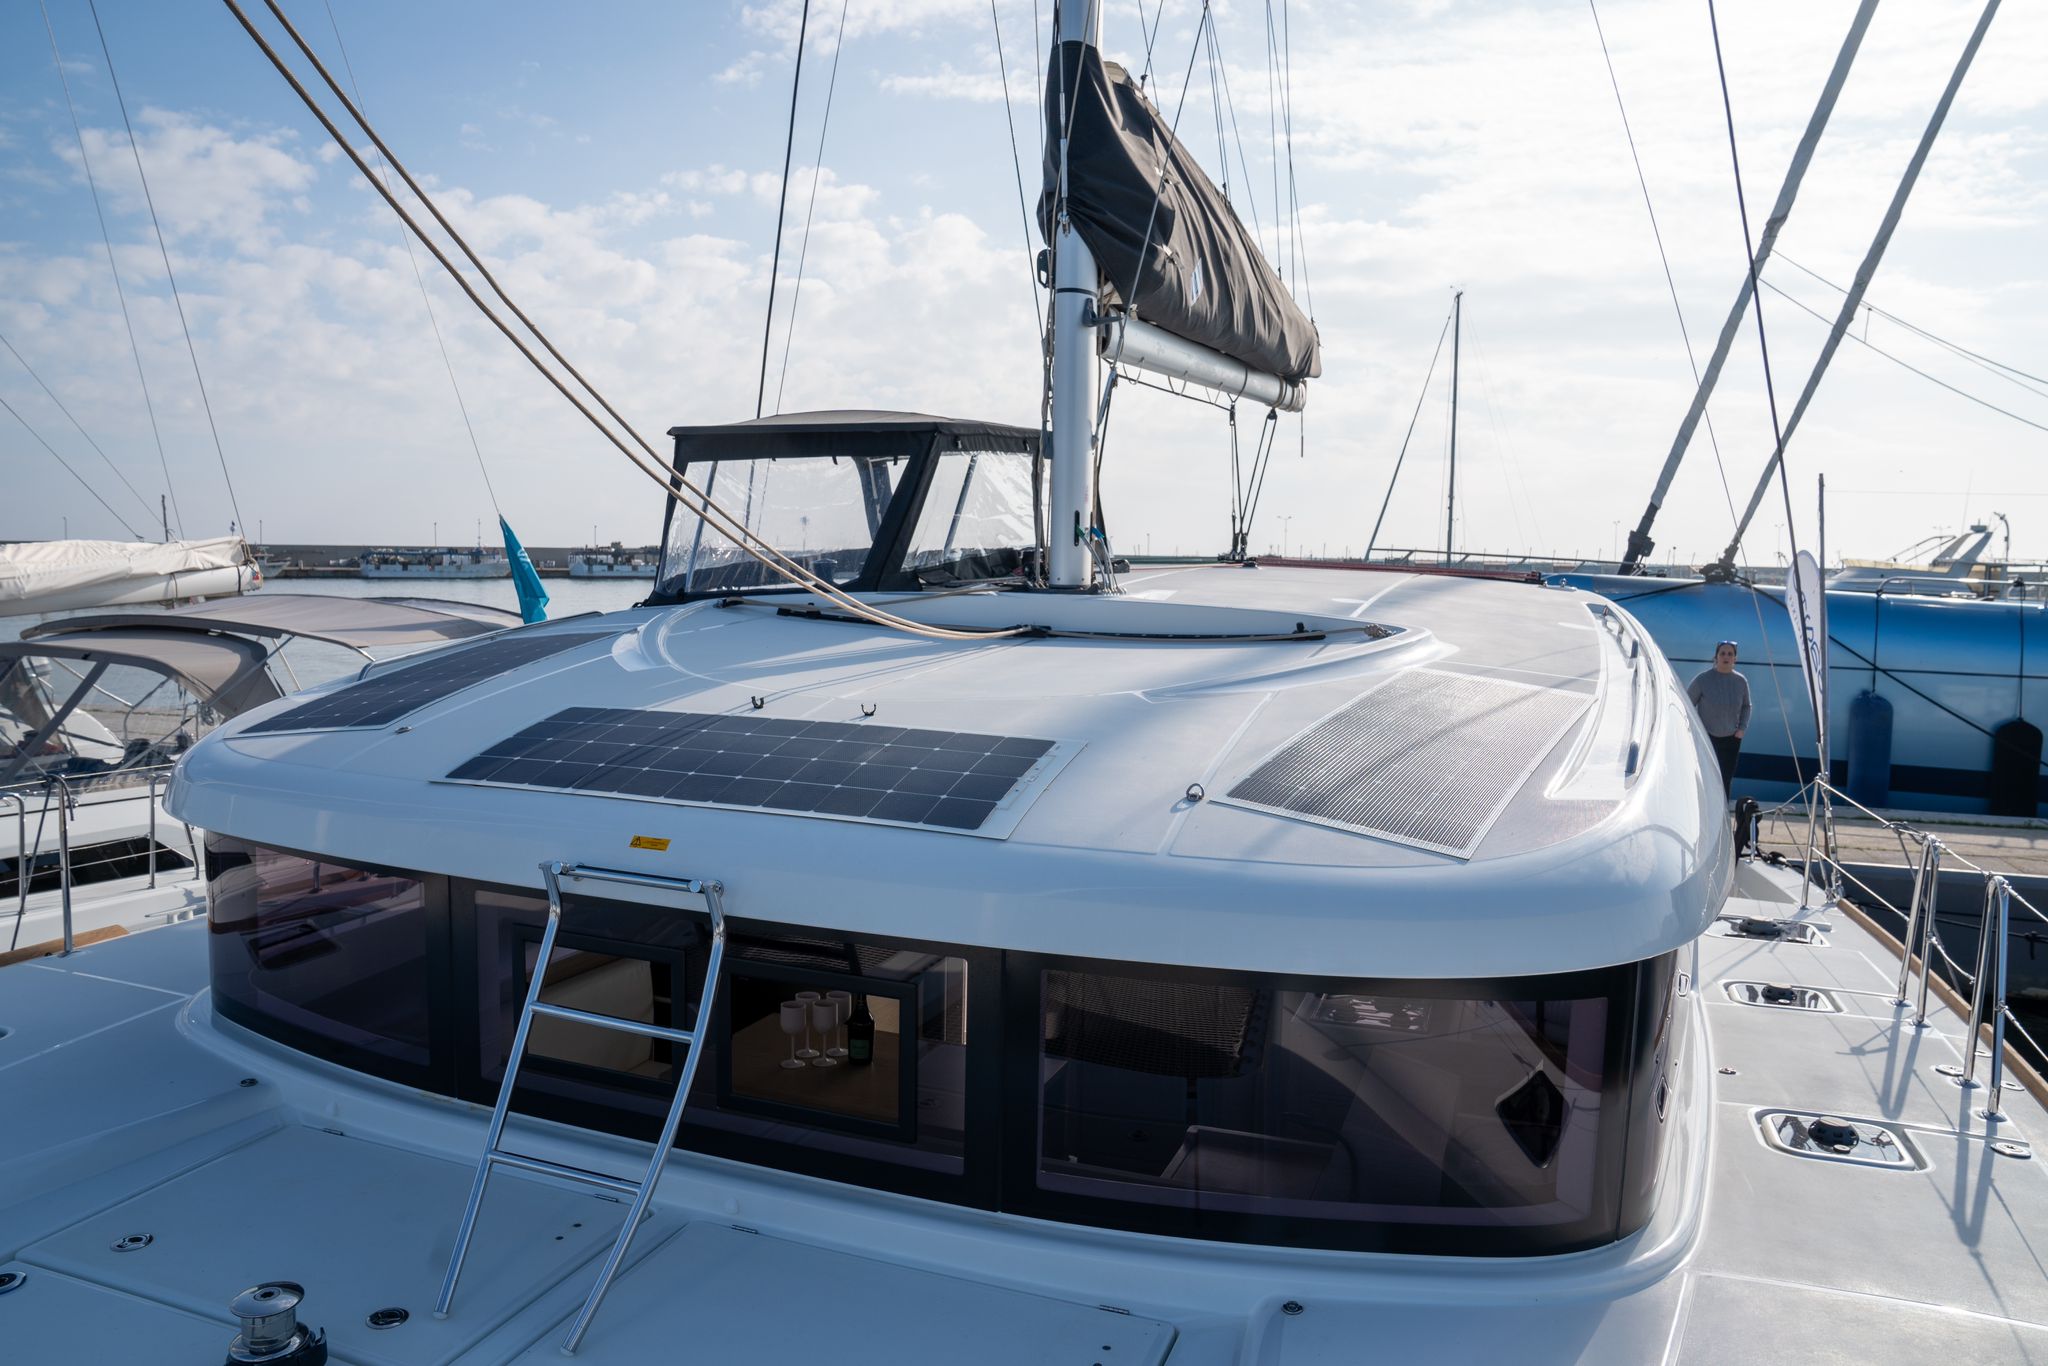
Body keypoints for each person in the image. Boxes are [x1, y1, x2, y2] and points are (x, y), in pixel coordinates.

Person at [1688, 640, 1751, 798]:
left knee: (1725, 780)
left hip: (1731, 739)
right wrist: (1696, 730)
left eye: (1730, 654)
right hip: (1707, 738)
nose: (1726, 657)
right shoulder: (1702, 680)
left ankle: (1721, 819)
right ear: (1716, 657)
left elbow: (1746, 706)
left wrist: (1741, 729)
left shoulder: (1741, 681)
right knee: (1705, 779)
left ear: (1735, 659)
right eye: (1722, 653)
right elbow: (1687, 704)